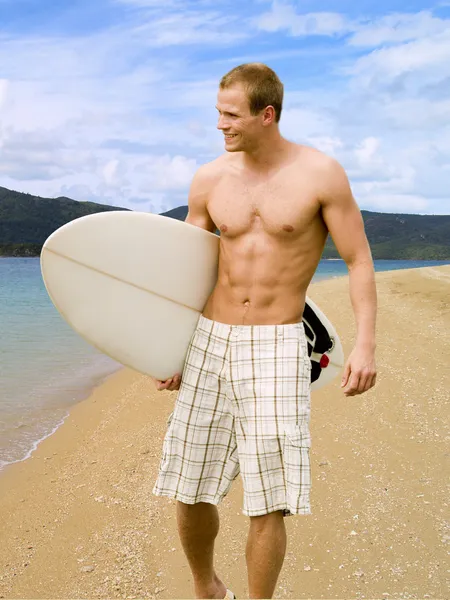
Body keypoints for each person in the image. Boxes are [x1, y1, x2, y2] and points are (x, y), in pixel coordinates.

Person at [152, 63, 377, 600]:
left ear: (266, 114)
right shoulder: (209, 179)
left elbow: (360, 260)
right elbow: (186, 267)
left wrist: (364, 343)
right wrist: (165, 345)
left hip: (278, 343)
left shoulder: (321, 175)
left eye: (230, 115)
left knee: (268, 495)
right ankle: (207, 588)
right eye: (218, 113)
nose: (220, 125)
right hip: (210, 338)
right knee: (189, 485)